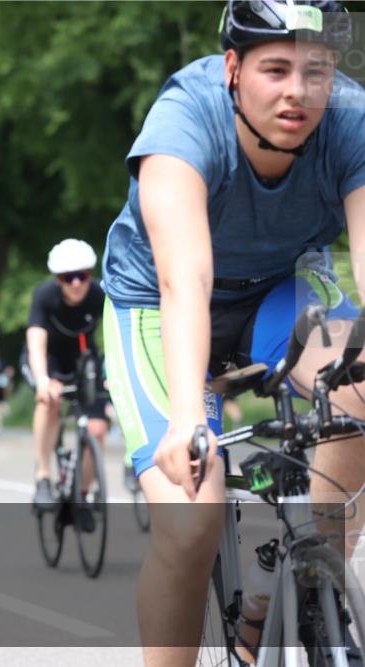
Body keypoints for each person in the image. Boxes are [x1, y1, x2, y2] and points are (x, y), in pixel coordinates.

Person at [99, 2, 363, 663]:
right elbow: (182, 280)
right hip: (162, 303)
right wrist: (189, 412)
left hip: (278, 290)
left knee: (358, 385)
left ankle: (306, 576)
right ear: (233, 69)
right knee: (192, 520)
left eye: (317, 71)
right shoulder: (184, 121)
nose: (298, 92)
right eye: (275, 69)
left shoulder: (352, 122)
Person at [24, 238, 109, 514]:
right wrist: (42, 380)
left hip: (83, 360)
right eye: (67, 277)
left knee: (97, 428)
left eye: (82, 276)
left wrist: (113, 375)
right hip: (48, 359)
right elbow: (36, 342)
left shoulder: (99, 294)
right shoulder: (44, 296)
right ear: (58, 280)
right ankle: (44, 477)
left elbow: (117, 336)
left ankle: (81, 495)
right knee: (50, 401)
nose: (76, 283)